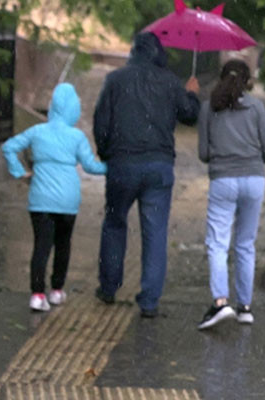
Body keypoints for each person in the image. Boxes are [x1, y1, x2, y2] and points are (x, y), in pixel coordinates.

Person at [93, 32, 201, 318]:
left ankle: (108, 287)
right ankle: (149, 301)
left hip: (122, 164)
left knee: (115, 224)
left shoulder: (116, 80)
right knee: (155, 234)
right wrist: (191, 93)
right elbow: (190, 115)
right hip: (159, 167)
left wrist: (107, 155)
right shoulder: (170, 82)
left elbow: (101, 122)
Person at [2, 83, 108, 312]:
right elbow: (91, 167)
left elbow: (9, 147)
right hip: (68, 202)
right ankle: (57, 291)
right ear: (72, 108)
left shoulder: (37, 131)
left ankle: (37, 294)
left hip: (40, 201)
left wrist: (19, 172)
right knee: (63, 246)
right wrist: (113, 167)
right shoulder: (77, 137)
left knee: (41, 246)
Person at [196, 60, 265, 330]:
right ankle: (245, 308)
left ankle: (220, 302)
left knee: (218, 243)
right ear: (248, 81)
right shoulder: (256, 107)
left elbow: (204, 154)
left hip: (223, 181)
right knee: (245, 244)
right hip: (254, 179)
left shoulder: (208, 108)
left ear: (220, 79)